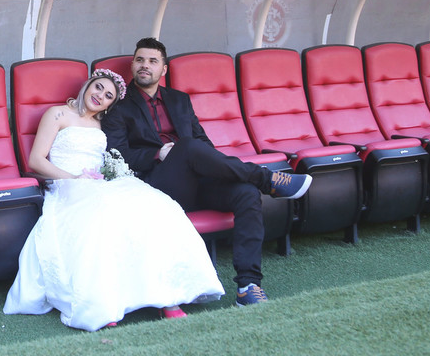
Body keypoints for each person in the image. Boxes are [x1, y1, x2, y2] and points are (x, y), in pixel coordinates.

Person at [3, 69, 224, 331]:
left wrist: (110, 174)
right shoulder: (58, 114)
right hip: (67, 184)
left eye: (109, 96)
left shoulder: (101, 125)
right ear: (88, 85)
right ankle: (105, 302)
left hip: (102, 182)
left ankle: (169, 296)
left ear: (110, 104)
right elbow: (36, 160)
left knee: (157, 205)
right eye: (98, 88)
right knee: (103, 214)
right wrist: (73, 178)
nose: (100, 96)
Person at [100, 37, 312, 307]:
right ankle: (267, 178)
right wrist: (158, 152)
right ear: (132, 65)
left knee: (246, 194)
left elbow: (204, 144)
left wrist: (217, 170)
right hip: (157, 185)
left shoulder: (179, 100)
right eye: (140, 60)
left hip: (197, 180)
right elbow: (116, 154)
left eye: (153, 61)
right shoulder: (118, 106)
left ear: (163, 69)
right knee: (186, 146)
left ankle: (248, 285)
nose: (145, 66)